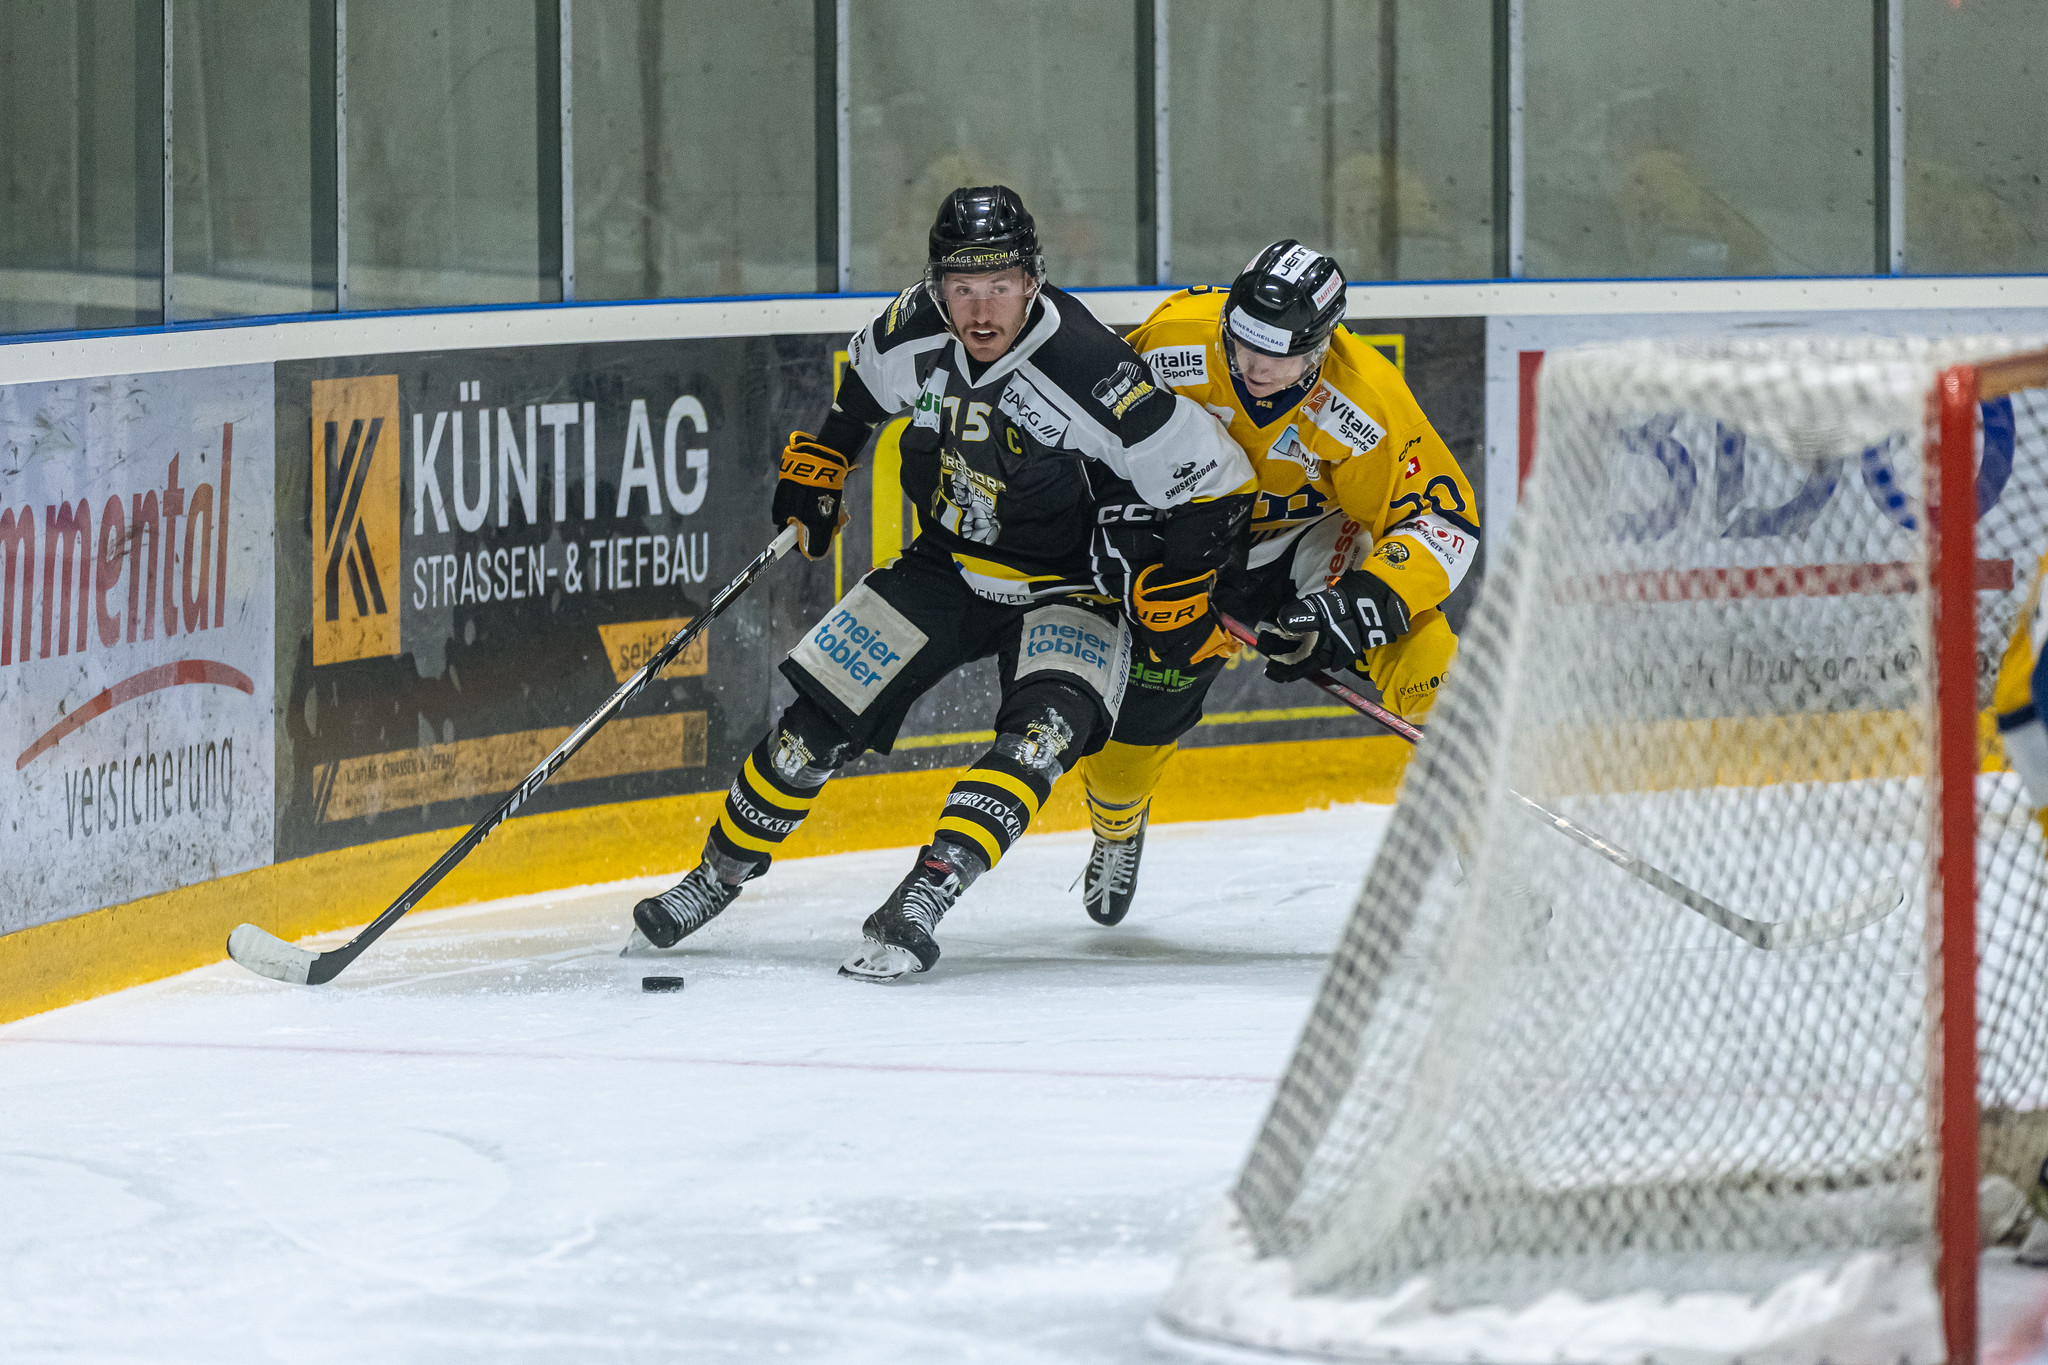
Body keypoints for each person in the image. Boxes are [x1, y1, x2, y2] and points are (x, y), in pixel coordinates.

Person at [630, 186, 1255, 981]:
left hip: (1071, 586)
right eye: (963, 287)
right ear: (936, 286)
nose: (981, 309)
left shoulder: (1092, 370)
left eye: (1000, 285)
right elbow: (861, 389)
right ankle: (714, 876)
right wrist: (827, 461)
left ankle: (926, 894)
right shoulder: (913, 328)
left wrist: (1182, 575)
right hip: (949, 563)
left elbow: (1219, 476)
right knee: (811, 726)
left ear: (1033, 280)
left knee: (1039, 741)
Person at [1076, 240, 1479, 925]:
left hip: (1303, 547)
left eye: (1281, 351)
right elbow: (1086, 432)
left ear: (1322, 343)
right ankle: (1116, 826)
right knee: (1123, 754)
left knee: (1428, 663)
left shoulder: (1365, 400)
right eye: (1244, 341)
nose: (1255, 365)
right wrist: (1126, 532)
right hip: (1183, 550)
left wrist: (1356, 606)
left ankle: (1491, 857)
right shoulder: (1174, 341)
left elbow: (1441, 521)